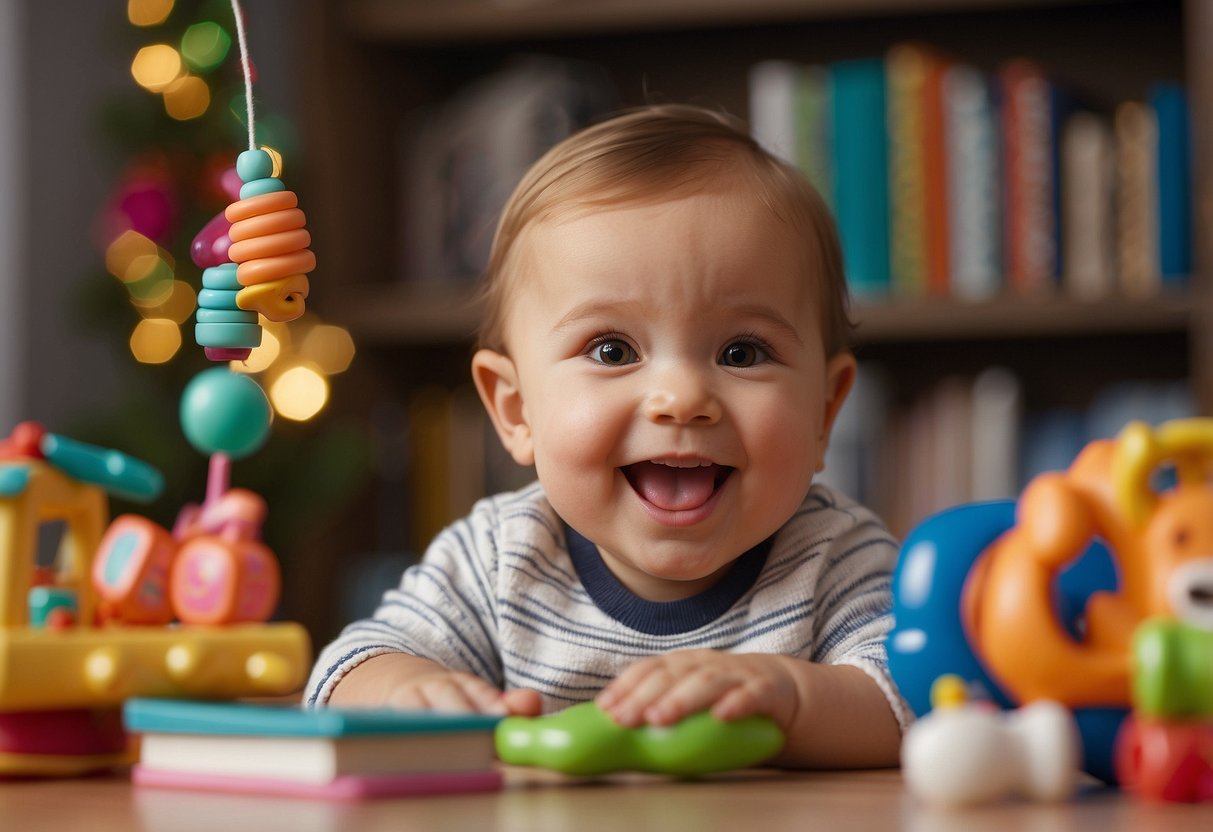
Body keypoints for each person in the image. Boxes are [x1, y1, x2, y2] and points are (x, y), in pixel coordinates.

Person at [306, 104, 909, 768]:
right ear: (515, 410)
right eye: (612, 350)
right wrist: (408, 691)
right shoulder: (501, 558)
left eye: (741, 353)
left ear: (824, 409)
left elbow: (908, 706)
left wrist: (791, 697)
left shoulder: (834, 557)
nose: (681, 398)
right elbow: (343, 673)